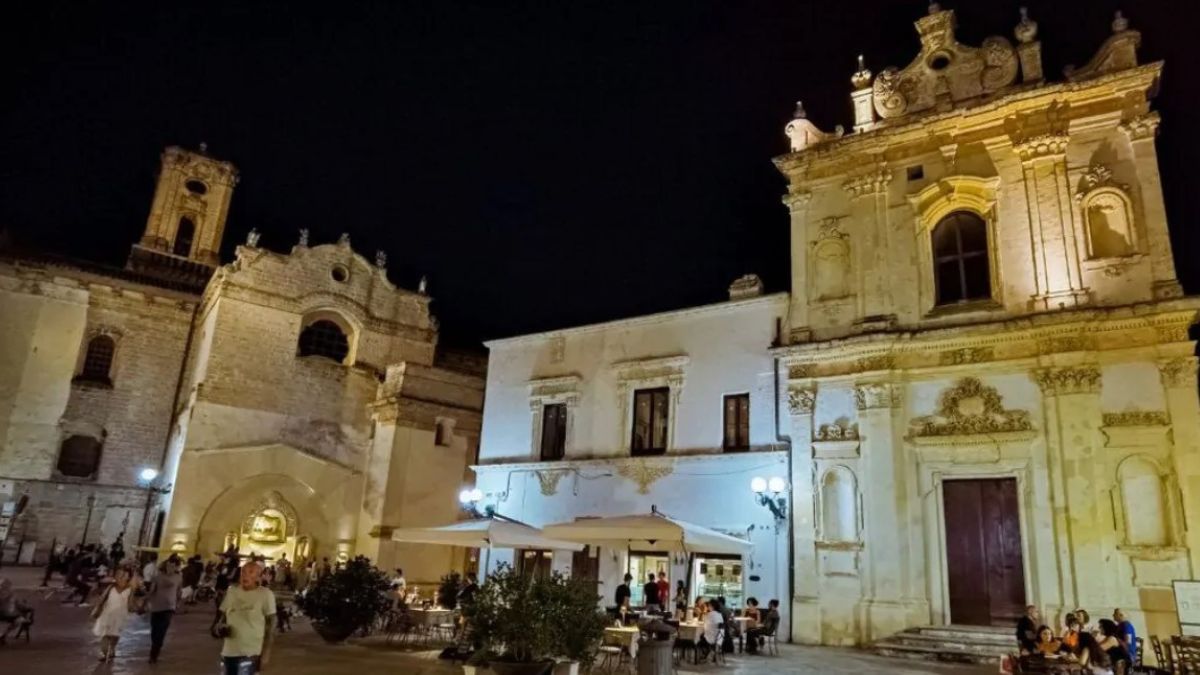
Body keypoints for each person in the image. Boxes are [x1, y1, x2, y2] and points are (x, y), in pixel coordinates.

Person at [215, 561, 276, 675]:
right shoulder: (232, 591)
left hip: (250, 652)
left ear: (258, 577)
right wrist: (219, 627)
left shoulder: (265, 594)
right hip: (228, 651)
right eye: (243, 572)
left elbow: (271, 623)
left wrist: (266, 652)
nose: (245, 575)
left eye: (251, 572)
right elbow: (222, 617)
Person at [91, 566, 140, 662]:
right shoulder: (110, 587)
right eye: (119, 575)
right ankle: (104, 653)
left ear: (128, 577)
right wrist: (97, 609)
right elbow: (102, 599)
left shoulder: (130, 590)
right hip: (107, 614)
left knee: (115, 635)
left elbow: (130, 604)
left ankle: (112, 648)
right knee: (106, 634)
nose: (121, 577)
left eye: (124, 575)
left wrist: (137, 609)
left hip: (120, 616)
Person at [147, 555, 182, 663]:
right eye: (168, 566)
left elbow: (179, 591)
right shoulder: (158, 577)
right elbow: (152, 590)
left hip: (169, 607)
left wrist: (178, 603)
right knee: (154, 630)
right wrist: (144, 600)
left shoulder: (178, 577)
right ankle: (155, 645)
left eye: (172, 566)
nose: (170, 568)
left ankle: (154, 653)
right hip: (156, 606)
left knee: (162, 630)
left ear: (176, 567)